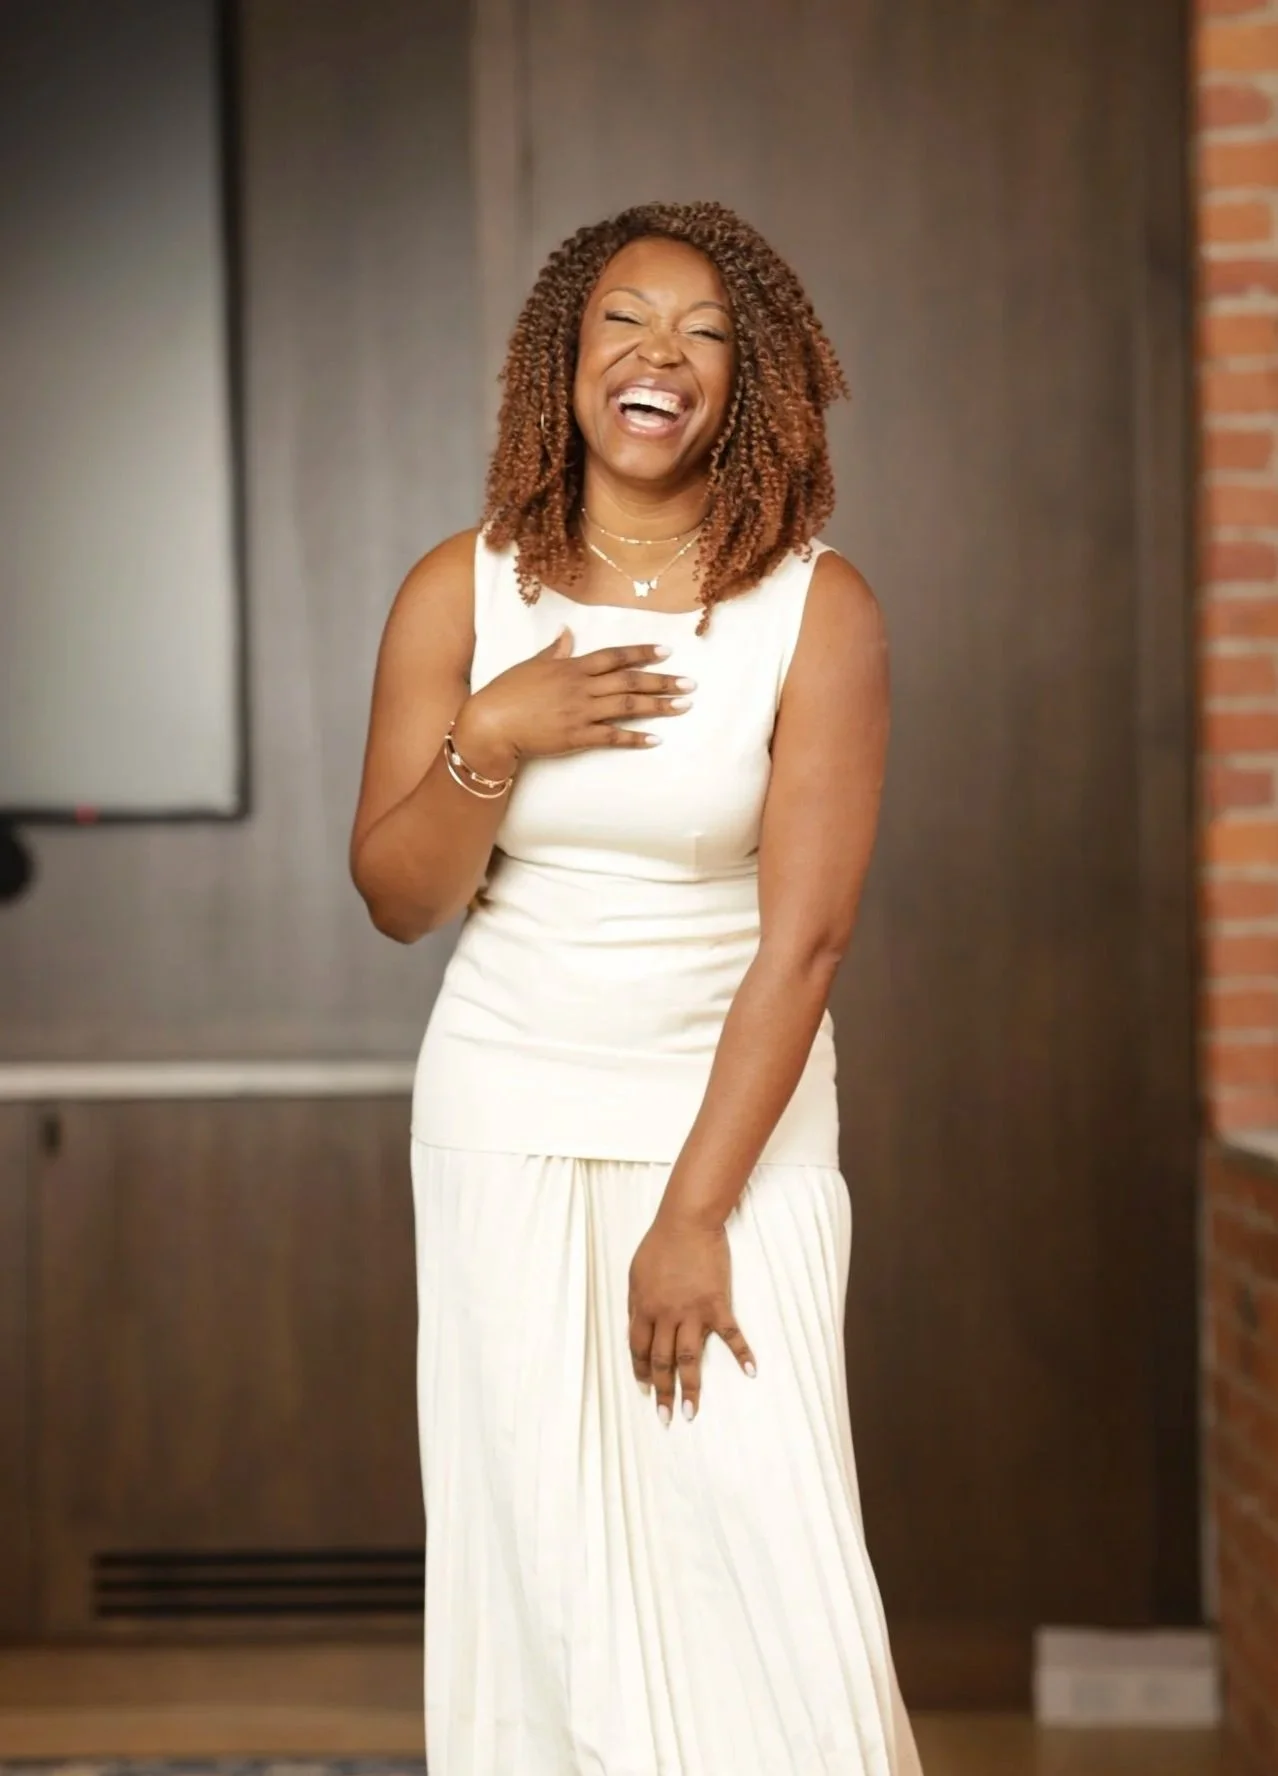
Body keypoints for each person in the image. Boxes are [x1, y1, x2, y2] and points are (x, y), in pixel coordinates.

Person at [350, 199, 922, 1776]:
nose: (656, 353)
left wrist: (693, 1216)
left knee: (766, 1562)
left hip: (730, 1136)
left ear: (750, 384)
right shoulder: (460, 592)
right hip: (505, 1117)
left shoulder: (817, 611)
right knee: (543, 1560)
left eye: (703, 333)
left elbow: (805, 943)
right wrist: (495, 733)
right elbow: (400, 900)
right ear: (564, 355)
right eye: (622, 318)